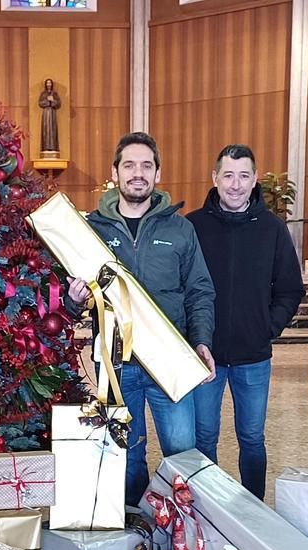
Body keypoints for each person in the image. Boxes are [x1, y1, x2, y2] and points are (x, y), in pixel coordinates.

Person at [67, 132, 216, 509]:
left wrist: (201, 341)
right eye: (129, 165)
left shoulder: (180, 229)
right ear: (114, 173)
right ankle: (135, 540)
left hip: (170, 362)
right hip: (118, 366)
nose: (138, 173)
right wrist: (72, 301)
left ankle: (183, 543)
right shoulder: (91, 231)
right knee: (127, 459)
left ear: (158, 173)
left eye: (146, 165)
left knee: (182, 455)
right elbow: (69, 300)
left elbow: (200, 291)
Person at [187, 144, 304, 501]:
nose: (235, 184)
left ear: (255, 180)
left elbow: (290, 288)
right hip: (204, 356)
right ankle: (206, 509)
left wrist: (266, 327)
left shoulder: (272, 229)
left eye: (243, 176)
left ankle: (254, 509)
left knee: (252, 437)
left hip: (253, 357)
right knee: (203, 437)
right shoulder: (193, 226)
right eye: (228, 175)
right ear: (214, 178)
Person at [38, 78, 61, 155]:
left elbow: (58, 104)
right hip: (46, 113)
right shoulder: (43, 94)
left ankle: (53, 147)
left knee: (53, 129)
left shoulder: (55, 93)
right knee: (46, 129)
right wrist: (47, 101)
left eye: (50, 83)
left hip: (52, 113)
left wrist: (53, 101)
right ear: (45, 84)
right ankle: (46, 147)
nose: (49, 84)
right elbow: (40, 103)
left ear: (52, 84)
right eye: (47, 83)